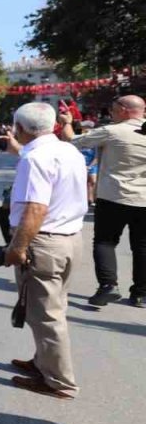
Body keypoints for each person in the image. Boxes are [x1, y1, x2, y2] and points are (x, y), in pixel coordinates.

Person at [0, 103, 88, 398]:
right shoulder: (67, 149)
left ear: (20, 128)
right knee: (50, 307)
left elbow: (35, 209)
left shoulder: (34, 159)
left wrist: (17, 246)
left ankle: (59, 381)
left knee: (46, 314)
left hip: (43, 242)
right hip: (68, 238)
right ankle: (43, 362)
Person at [56, 95, 146, 307]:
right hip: (144, 200)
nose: (111, 113)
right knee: (142, 246)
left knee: (105, 242)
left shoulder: (113, 131)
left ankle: (108, 285)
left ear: (124, 110)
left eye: (113, 109)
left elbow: (72, 141)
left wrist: (67, 123)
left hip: (113, 197)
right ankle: (141, 293)